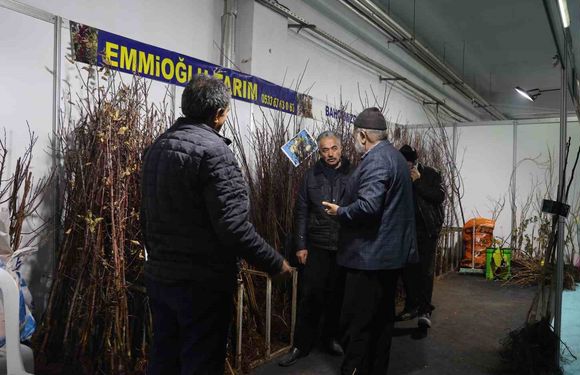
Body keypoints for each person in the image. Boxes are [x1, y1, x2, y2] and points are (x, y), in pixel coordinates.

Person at [141, 75, 291, 375]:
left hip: (160, 278)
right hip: (200, 286)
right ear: (219, 114)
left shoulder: (158, 147)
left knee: (164, 358)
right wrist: (275, 263)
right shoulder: (214, 152)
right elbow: (234, 227)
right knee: (201, 362)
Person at [323, 107, 416, 375]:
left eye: (354, 136)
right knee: (381, 322)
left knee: (358, 324)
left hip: (368, 260)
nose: (354, 142)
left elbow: (368, 206)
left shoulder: (376, 160)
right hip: (387, 258)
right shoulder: (396, 157)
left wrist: (339, 211)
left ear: (363, 135)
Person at [279, 131, 352, 367]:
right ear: (319, 151)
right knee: (310, 297)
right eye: (324, 150)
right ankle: (301, 345)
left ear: (341, 148)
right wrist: (301, 245)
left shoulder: (355, 174)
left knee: (337, 297)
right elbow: (301, 211)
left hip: (344, 246)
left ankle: (330, 339)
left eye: (334, 148)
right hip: (317, 245)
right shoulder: (311, 175)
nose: (330, 154)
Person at [396, 145, 445, 332]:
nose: (407, 167)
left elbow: (439, 196)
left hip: (426, 231)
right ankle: (411, 307)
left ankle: (425, 311)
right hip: (406, 232)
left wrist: (417, 182)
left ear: (415, 162)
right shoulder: (398, 175)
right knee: (408, 272)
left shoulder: (431, 174)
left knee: (425, 272)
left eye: (409, 164)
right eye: (404, 164)